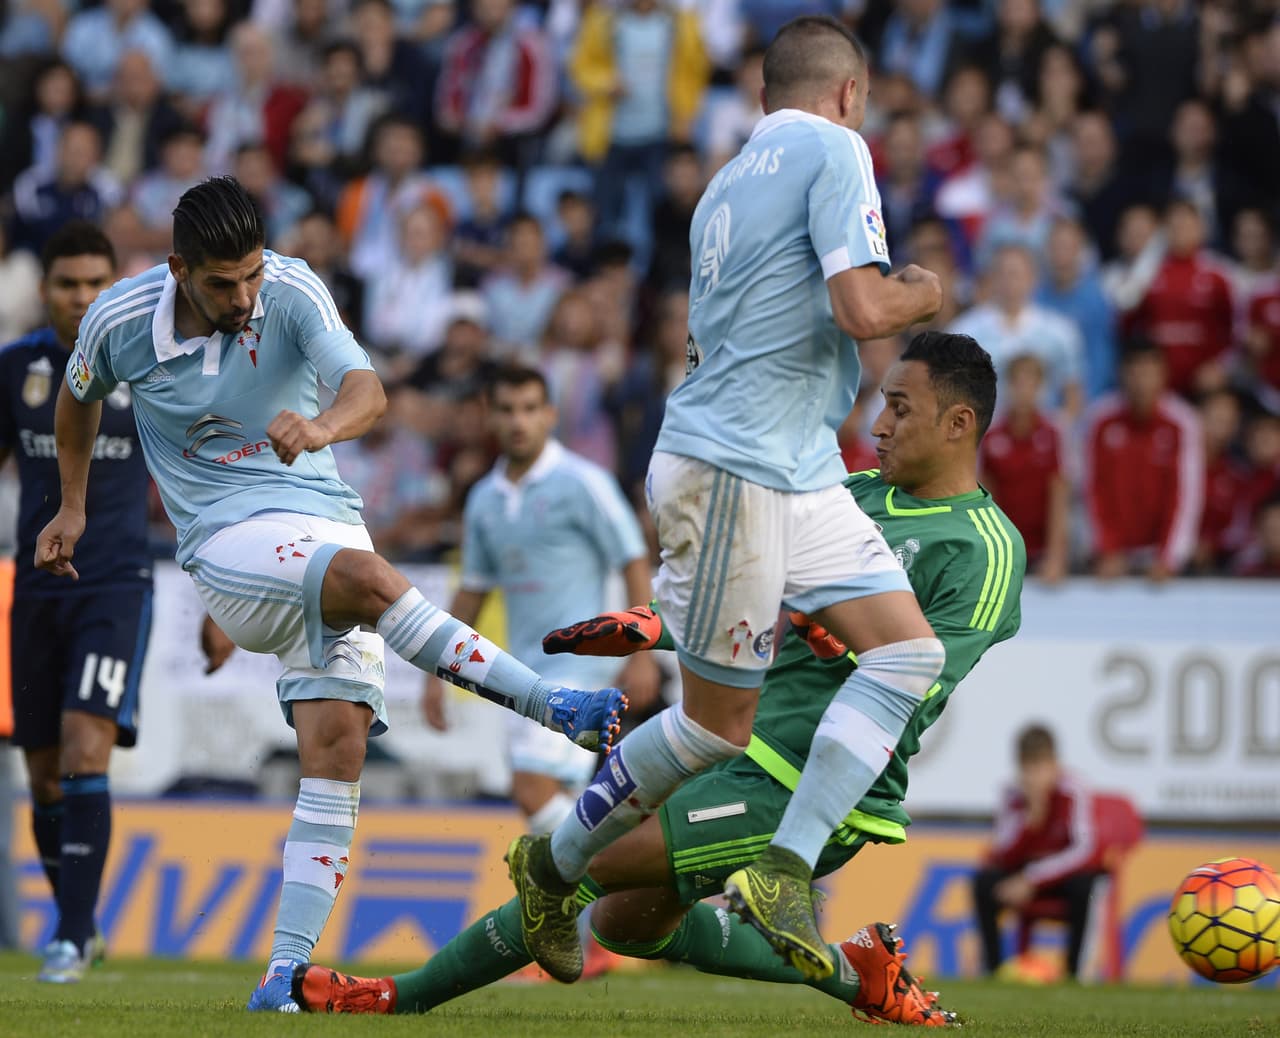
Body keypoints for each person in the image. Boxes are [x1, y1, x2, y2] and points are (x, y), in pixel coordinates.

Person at [291, 332, 1022, 1027]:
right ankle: (856, 972)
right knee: (628, 924)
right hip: (725, 734)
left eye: (900, 408)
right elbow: (744, 592)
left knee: (588, 860)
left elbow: (918, 684)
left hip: (800, 778)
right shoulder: (854, 496)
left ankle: (397, 998)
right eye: (879, 402)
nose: (879, 423)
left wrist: (838, 634)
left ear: (960, 423)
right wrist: (653, 628)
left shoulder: (983, 549)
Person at [33, 176, 627, 1011]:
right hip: (224, 541)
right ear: (177, 268)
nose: (243, 297)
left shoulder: (292, 286)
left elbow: (367, 390)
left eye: (250, 276)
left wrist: (320, 428)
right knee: (371, 580)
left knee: (339, 744)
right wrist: (73, 503)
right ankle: (548, 704)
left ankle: (281, 974)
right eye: (220, 283)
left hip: (323, 517)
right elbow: (77, 399)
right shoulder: (121, 321)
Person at [505, 15, 946, 988]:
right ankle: (552, 864)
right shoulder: (837, 148)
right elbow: (862, 310)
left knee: (907, 651)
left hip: (791, 466)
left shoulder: (720, 186)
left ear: (760, 97)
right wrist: (921, 289)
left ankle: (781, 869)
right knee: (714, 727)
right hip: (735, 467)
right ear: (848, 93)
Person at [423, 366, 659, 876]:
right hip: (526, 675)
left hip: (583, 671)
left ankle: (623, 876)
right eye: (507, 410)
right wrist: (434, 674)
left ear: (550, 415)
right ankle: (591, 929)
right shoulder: (485, 500)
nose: (518, 422)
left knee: (531, 788)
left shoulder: (583, 482)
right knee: (571, 810)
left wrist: (640, 652)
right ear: (490, 416)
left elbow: (633, 557)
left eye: (530, 409)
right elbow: (472, 592)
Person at [0, 223, 146, 982]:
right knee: (45, 773)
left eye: (97, 284)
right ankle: (76, 926)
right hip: (33, 592)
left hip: (115, 587)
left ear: (116, 287)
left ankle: (69, 938)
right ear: (45, 290)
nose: (83, 297)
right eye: (68, 284)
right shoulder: (14, 368)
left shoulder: (151, 367)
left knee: (90, 750)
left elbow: (194, 482)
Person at [972, 724, 1104, 981]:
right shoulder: (1011, 795)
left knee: (1085, 886)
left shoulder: (1074, 791)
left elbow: (1084, 850)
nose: (1033, 777)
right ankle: (993, 970)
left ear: (1055, 764)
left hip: (1060, 877)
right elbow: (1002, 852)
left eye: (1040, 767)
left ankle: (1075, 973)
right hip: (1021, 877)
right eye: (1027, 768)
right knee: (983, 882)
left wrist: (1032, 878)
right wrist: (1030, 820)